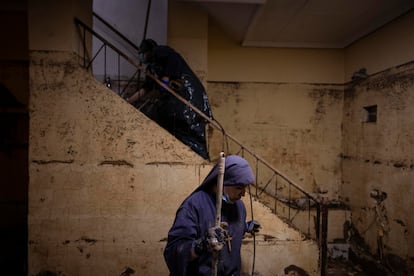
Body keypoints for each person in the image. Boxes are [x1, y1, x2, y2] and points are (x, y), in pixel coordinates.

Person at [163, 155, 261, 276]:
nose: (244, 194)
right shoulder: (193, 206)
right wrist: (202, 244)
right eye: (239, 187)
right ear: (221, 182)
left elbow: (230, 230)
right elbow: (173, 252)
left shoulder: (239, 206)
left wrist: (245, 226)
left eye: (245, 188)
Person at [127, 38, 212, 160]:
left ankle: (199, 155)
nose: (142, 56)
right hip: (178, 101)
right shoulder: (151, 68)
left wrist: (165, 82)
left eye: (143, 53)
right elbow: (146, 89)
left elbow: (167, 74)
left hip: (187, 97)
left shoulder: (161, 51)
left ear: (149, 51)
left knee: (187, 126)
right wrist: (128, 101)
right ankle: (196, 154)